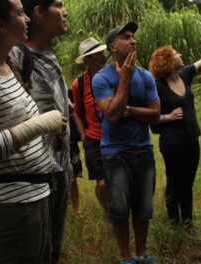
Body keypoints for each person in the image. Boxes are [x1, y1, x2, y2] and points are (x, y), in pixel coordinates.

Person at [0, 0, 66, 262]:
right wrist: (37, 126)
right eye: (19, 12)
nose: (27, 18)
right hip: (11, 207)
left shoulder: (8, 66)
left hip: (35, 196)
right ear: (0, 24)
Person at [92, 22, 161, 264]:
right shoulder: (101, 78)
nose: (133, 41)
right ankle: (126, 257)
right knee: (119, 209)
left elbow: (155, 114)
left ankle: (141, 254)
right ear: (112, 46)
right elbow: (111, 115)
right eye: (126, 37)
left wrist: (127, 110)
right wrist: (124, 81)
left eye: (133, 37)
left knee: (143, 208)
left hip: (144, 149)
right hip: (116, 153)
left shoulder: (146, 76)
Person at [9, 1, 70, 262]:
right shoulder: (17, 55)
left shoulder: (49, 55)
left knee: (54, 247)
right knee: (36, 251)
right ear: (39, 12)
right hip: (36, 172)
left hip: (60, 165)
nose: (65, 11)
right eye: (58, 5)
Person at [148, 27, 201, 229]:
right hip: (172, 143)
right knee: (175, 183)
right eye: (175, 54)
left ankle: (188, 224)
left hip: (192, 139)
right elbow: (151, 117)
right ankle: (175, 225)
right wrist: (168, 116)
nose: (180, 55)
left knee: (188, 183)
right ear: (167, 61)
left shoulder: (184, 74)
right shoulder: (158, 86)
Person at [71, 37, 109, 215]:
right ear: (87, 60)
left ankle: (119, 211)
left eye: (102, 52)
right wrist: (84, 136)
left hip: (114, 136)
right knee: (101, 183)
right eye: (97, 54)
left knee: (116, 179)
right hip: (94, 138)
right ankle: (110, 212)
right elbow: (77, 113)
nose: (103, 56)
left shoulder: (114, 75)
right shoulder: (79, 84)